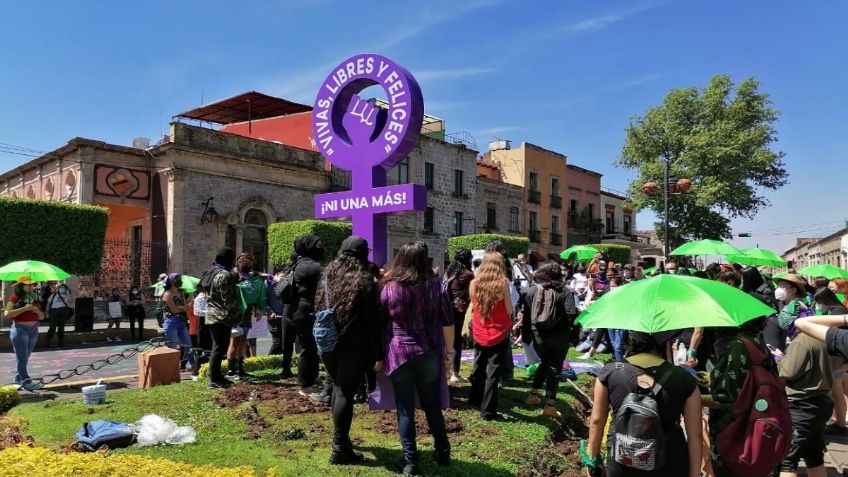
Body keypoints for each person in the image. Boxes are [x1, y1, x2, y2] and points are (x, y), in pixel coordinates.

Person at [379, 241, 454, 475]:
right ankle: (442, 451)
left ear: (400, 259)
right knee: (432, 405)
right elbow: (448, 321)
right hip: (429, 350)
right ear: (425, 260)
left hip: (398, 351)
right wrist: (449, 353)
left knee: (404, 409)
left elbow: (381, 320)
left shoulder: (389, 288)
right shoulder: (436, 287)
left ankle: (410, 461)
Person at [583, 331, 702, 477]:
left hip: (622, 459)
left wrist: (593, 460)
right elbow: (695, 434)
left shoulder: (610, 372)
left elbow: (596, 421)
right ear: (664, 343)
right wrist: (695, 473)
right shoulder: (683, 377)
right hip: (669, 460)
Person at [315, 236, 380, 465]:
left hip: (327, 341)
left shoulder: (326, 276)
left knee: (336, 387)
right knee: (344, 392)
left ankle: (340, 440)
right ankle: (340, 448)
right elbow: (372, 322)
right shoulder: (364, 280)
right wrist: (377, 354)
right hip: (352, 344)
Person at [702, 316, 772, 475]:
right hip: (753, 420)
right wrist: (712, 378)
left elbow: (724, 398)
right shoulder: (755, 342)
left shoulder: (737, 347)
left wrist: (693, 398)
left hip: (733, 430)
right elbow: (743, 380)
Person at [777, 305, 834, 477]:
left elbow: (789, 372)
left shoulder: (801, 340)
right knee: (814, 455)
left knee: (787, 459)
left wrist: (779, 359)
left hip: (802, 404)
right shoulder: (823, 336)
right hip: (821, 403)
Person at [521, 262, 574, 417]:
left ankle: (533, 395)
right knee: (554, 369)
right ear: (560, 275)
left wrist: (525, 336)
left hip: (538, 337)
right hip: (559, 337)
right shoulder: (565, 292)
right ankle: (549, 406)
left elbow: (526, 317)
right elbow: (571, 314)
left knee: (545, 363)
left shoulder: (532, 291)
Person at [469, 251, 513, 420]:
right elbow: (509, 310)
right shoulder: (503, 283)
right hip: (499, 330)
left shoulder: (474, 283)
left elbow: (474, 306)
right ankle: (488, 411)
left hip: (480, 329)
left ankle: (474, 398)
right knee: (493, 372)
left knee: (478, 366)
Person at [281, 235, 325, 396]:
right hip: (304, 311)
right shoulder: (310, 267)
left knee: (310, 347)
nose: (321, 248)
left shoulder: (297, 264)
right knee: (308, 347)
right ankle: (306, 384)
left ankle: (311, 377)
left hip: (295, 310)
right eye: (317, 245)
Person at [201, 248, 240, 389]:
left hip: (211, 313)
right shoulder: (224, 275)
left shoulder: (211, 272)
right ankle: (214, 379)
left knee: (218, 347)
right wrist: (236, 315)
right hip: (222, 316)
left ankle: (218, 377)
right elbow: (228, 299)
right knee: (219, 348)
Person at [5, 276, 44, 390]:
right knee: (21, 357)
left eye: (33, 284)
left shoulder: (35, 298)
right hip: (20, 329)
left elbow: (42, 317)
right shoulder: (15, 297)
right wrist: (25, 309)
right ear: (22, 285)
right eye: (29, 284)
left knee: (25, 357)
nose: (32, 286)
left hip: (34, 329)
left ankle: (17, 380)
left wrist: (37, 311)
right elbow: (7, 314)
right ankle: (27, 381)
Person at [444, 248, 474, 385]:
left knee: (446, 341)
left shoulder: (449, 272)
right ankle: (455, 374)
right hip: (458, 311)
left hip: (445, 309)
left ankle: (446, 371)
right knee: (456, 341)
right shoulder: (468, 274)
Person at [162, 273, 195, 372]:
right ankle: (170, 369)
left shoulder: (180, 293)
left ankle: (194, 366)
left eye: (178, 278)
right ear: (171, 281)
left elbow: (186, 307)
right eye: (176, 279)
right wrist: (182, 308)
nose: (178, 280)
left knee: (188, 345)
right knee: (172, 347)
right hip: (171, 322)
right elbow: (174, 310)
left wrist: (182, 307)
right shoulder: (167, 294)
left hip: (182, 321)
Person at [268, 260, 296, 379]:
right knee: (277, 342)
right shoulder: (271, 287)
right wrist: (270, 312)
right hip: (275, 318)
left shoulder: (287, 285)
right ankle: (270, 362)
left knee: (286, 342)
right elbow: (265, 301)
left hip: (285, 316)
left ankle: (281, 365)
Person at [45, 283, 73, 348]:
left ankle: (60, 341)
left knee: (61, 327)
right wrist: (47, 312)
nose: (62, 289)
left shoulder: (66, 295)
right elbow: (48, 304)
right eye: (61, 287)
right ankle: (47, 341)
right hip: (54, 311)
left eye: (63, 287)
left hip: (63, 311)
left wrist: (68, 293)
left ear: (66, 289)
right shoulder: (53, 295)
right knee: (52, 327)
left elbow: (71, 301)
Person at [192, 284, 211, 380]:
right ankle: (196, 372)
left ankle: (208, 370)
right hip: (203, 323)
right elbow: (197, 312)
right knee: (202, 348)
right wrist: (209, 312)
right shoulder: (199, 298)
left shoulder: (209, 296)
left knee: (210, 348)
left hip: (211, 322)